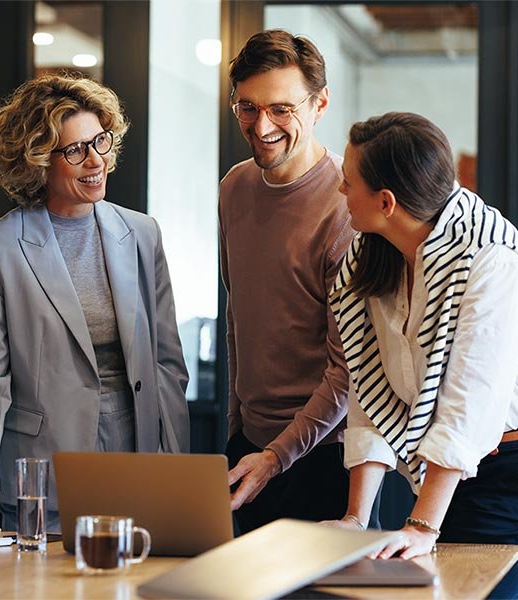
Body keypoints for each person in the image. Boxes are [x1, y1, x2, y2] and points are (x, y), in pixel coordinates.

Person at [327, 111, 518, 598]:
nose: (340, 191)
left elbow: (470, 408)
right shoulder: (373, 255)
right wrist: (356, 518)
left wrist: (422, 525)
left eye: (348, 182)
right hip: (455, 469)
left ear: (386, 202)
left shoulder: (489, 260)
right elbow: (369, 385)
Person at [0, 74, 190, 534]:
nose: (96, 161)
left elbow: (168, 365)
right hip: (42, 467)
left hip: (138, 458)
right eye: (75, 150)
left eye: (100, 142)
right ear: (38, 161)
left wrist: (176, 468)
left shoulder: (142, 233)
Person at [219, 29, 367, 534]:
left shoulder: (347, 207)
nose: (262, 127)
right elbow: (237, 317)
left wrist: (277, 456)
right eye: (247, 108)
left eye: (282, 109)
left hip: (324, 456)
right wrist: (238, 431)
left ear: (320, 103)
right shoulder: (234, 188)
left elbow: (348, 370)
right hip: (248, 449)